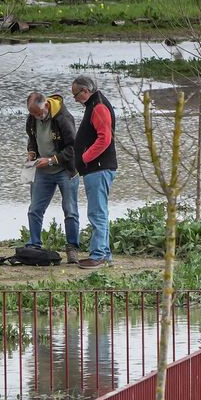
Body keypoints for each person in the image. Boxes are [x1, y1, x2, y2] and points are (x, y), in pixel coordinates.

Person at [24, 90, 82, 264]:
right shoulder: (32, 118)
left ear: (46, 106)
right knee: (34, 209)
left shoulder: (63, 118)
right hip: (42, 171)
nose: (37, 117)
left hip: (65, 170)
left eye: (39, 113)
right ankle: (34, 245)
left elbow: (73, 148)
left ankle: (72, 247)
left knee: (70, 210)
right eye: (33, 114)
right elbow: (32, 138)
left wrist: (51, 160)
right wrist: (32, 152)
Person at [70, 75, 117, 269]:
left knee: (97, 212)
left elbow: (104, 138)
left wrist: (84, 158)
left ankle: (98, 255)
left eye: (75, 94)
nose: (75, 98)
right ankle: (103, 254)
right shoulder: (94, 105)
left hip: (98, 168)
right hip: (96, 169)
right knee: (99, 211)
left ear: (85, 90)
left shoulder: (98, 107)